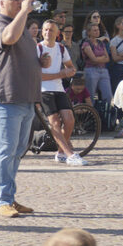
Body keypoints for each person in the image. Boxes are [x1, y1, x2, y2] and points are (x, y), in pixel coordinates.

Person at [0, 0, 48, 218]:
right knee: (6, 149)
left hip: (26, 98)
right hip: (5, 97)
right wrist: (24, 12)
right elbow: (8, 38)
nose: (21, 2)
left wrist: (42, 62)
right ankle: (2, 200)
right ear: (2, 2)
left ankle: (9, 197)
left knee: (18, 150)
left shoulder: (22, 28)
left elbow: (25, 56)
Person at [37, 20, 85, 165]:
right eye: (45, 30)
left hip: (58, 89)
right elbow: (38, 76)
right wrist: (62, 74)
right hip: (44, 90)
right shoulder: (38, 49)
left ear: (57, 33)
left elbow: (70, 66)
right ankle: (70, 155)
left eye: (51, 30)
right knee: (55, 122)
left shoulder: (61, 48)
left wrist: (70, 71)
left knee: (70, 120)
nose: (47, 33)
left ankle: (60, 152)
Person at [80, 22, 112, 102]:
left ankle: (105, 112)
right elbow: (93, 59)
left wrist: (98, 58)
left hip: (103, 70)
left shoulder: (101, 43)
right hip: (91, 70)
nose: (97, 32)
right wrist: (102, 58)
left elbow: (107, 58)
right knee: (90, 96)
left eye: (97, 30)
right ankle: (91, 112)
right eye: (94, 30)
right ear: (89, 32)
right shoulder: (86, 44)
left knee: (108, 95)